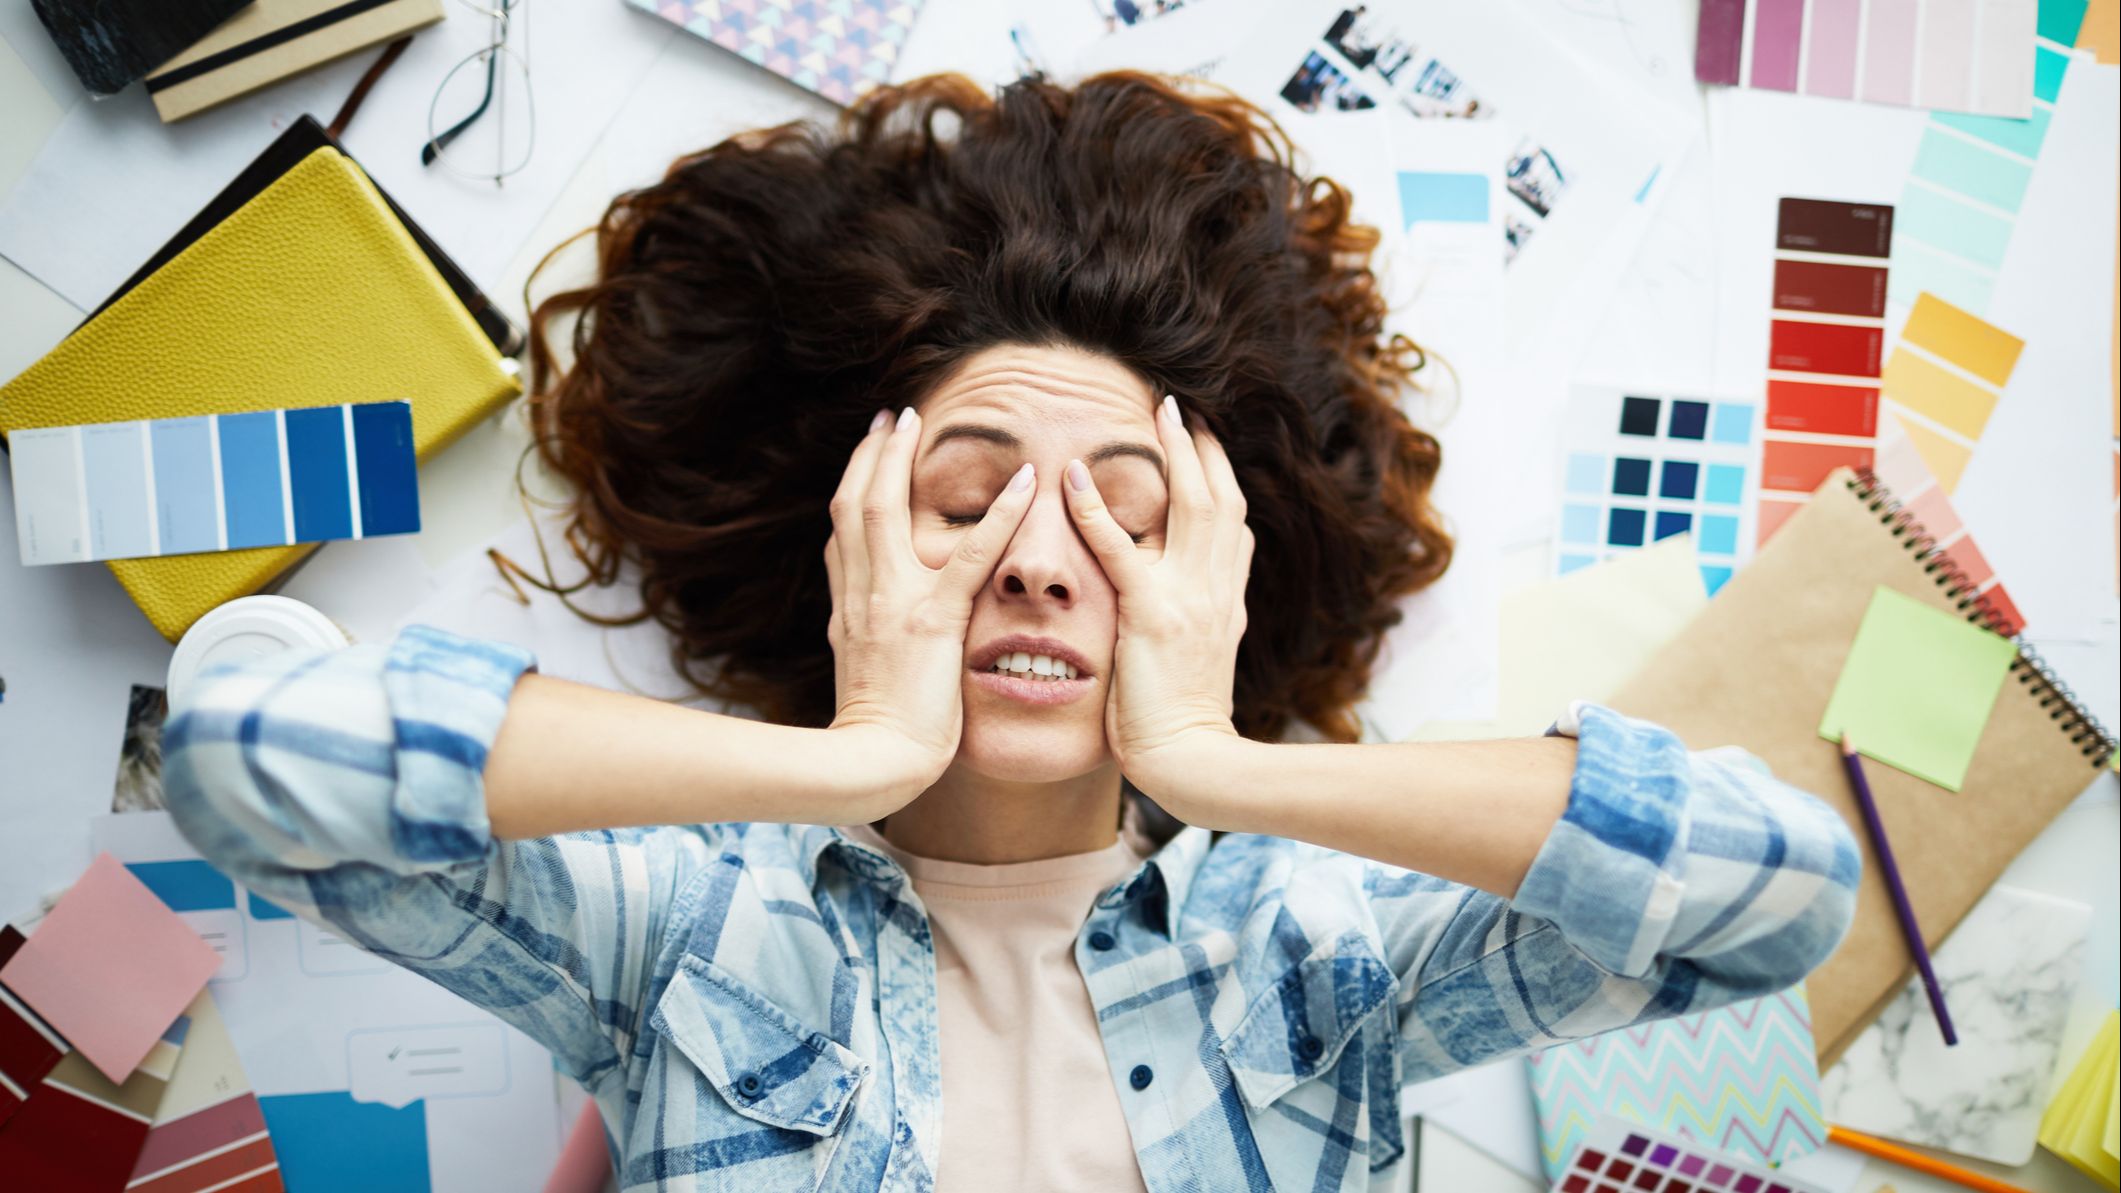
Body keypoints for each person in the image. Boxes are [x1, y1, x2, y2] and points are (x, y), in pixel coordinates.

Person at [163, 72, 1859, 1193]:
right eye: (966, 493)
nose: (1042, 560)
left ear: (1211, 575)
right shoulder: (684, 925)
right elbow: (244, 752)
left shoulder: (1326, 950)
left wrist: (1214, 767)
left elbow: (1780, 888)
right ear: (850, 544)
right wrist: (850, 759)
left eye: (1126, 516)